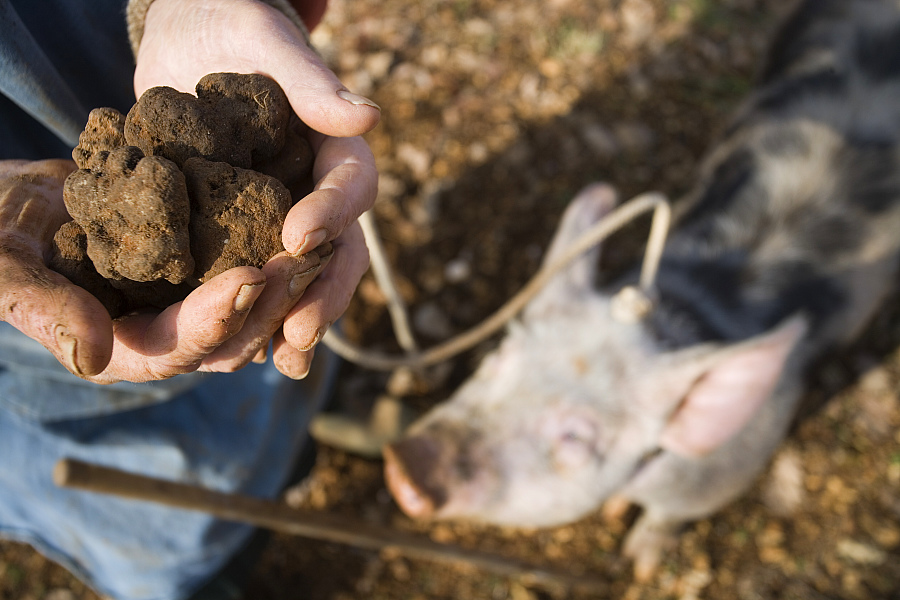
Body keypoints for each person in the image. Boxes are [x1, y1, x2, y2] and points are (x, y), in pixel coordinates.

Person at [0, 0, 380, 598]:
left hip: (111, 46)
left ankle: (298, 449)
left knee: (281, 335)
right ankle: (203, 570)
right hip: (28, 339)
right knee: (135, 494)